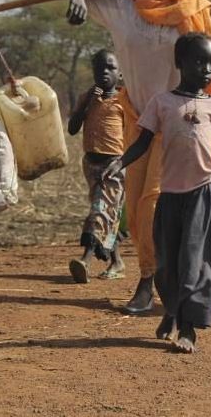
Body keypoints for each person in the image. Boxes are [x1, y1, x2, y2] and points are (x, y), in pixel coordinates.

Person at [64, 0, 211, 314]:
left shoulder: (194, 8)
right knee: (140, 213)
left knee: (155, 206)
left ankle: (155, 284)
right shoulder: (126, 6)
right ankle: (153, 277)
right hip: (139, 121)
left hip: (182, 123)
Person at [104, 32, 211, 353]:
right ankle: (172, 312)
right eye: (198, 61)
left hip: (202, 194)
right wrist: (120, 163)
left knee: (193, 261)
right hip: (169, 195)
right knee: (166, 264)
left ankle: (188, 329)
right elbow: (142, 141)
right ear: (179, 64)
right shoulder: (162, 103)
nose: (207, 69)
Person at [66, 49, 126, 283]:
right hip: (91, 163)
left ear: (120, 74)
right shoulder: (87, 98)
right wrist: (87, 104)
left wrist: (124, 163)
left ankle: (86, 259)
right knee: (107, 214)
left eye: (110, 68)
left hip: (114, 164)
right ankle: (117, 262)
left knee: (99, 211)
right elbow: (72, 128)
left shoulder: (124, 100)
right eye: (99, 68)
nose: (104, 72)